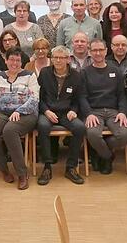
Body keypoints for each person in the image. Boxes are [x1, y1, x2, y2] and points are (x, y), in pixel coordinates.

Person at [0, 48, 39, 190]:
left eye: (18, 60)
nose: (14, 63)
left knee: (10, 130)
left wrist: (20, 111)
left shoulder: (30, 75)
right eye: (12, 60)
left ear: (22, 62)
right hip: (2, 112)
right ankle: (4, 170)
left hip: (26, 113)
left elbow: (34, 98)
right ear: (6, 61)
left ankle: (22, 173)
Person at [36, 45, 87, 185]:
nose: (58, 60)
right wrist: (46, 111)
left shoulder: (76, 75)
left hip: (67, 112)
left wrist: (74, 111)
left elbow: (79, 98)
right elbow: (38, 97)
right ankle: (47, 167)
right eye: (55, 58)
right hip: (47, 111)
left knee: (79, 128)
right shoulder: (45, 73)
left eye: (61, 58)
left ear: (68, 59)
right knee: (42, 125)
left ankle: (71, 167)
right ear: (51, 59)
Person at [82, 39, 127, 174]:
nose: (98, 53)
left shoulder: (115, 71)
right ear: (90, 53)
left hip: (113, 111)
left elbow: (121, 95)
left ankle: (100, 152)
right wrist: (88, 114)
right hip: (94, 111)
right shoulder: (85, 73)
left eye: (100, 50)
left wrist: (122, 112)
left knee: (125, 134)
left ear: (106, 51)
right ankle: (108, 157)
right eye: (94, 50)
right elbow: (82, 97)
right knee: (92, 133)